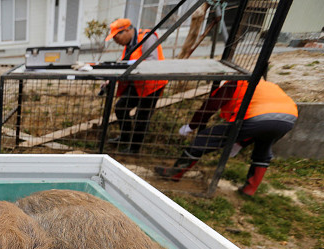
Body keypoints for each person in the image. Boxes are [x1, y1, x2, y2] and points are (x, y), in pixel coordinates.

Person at [154, 78, 298, 196]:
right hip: (288, 118)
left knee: (203, 140)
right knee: (263, 149)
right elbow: (263, 123)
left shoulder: (237, 83)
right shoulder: (269, 85)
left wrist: (192, 125)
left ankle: (175, 173)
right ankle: (249, 190)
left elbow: (211, 106)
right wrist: (240, 143)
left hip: (256, 118)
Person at [105, 18, 168, 154]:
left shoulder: (147, 38)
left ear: (126, 31)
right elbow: (124, 65)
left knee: (142, 116)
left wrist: (129, 64)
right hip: (138, 83)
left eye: (116, 37)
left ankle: (134, 149)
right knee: (121, 107)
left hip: (152, 84)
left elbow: (152, 61)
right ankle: (125, 137)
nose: (116, 42)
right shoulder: (129, 44)